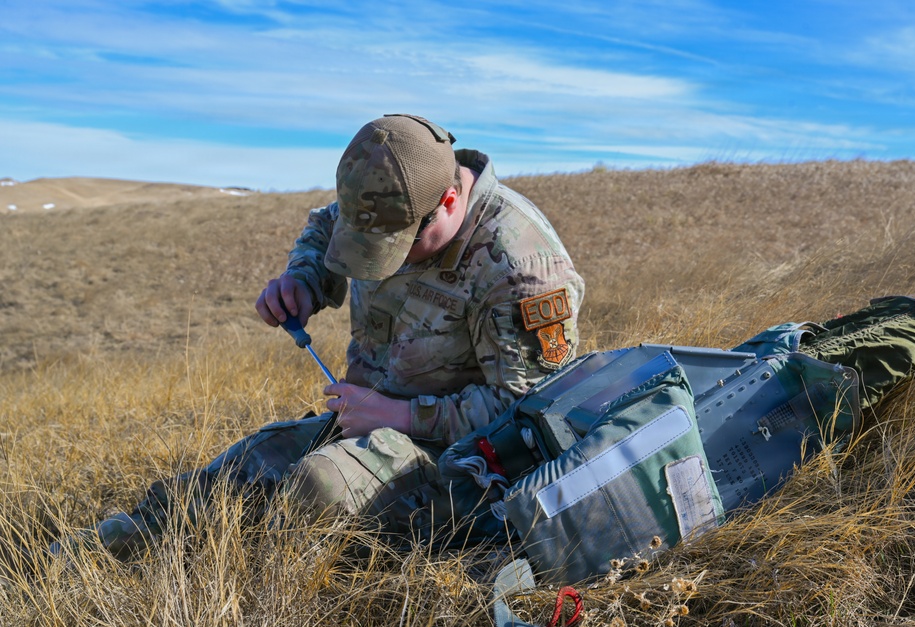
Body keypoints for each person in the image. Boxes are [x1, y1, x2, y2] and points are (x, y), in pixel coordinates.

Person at [54, 114, 585, 559]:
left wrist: (399, 417)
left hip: (457, 454)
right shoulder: (384, 199)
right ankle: (86, 557)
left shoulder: (520, 267)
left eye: (400, 244)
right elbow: (323, 227)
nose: (385, 259)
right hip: (360, 420)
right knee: (222, 480)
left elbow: (529, 410)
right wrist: (303, 281)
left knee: (316, 490)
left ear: (448, 202)